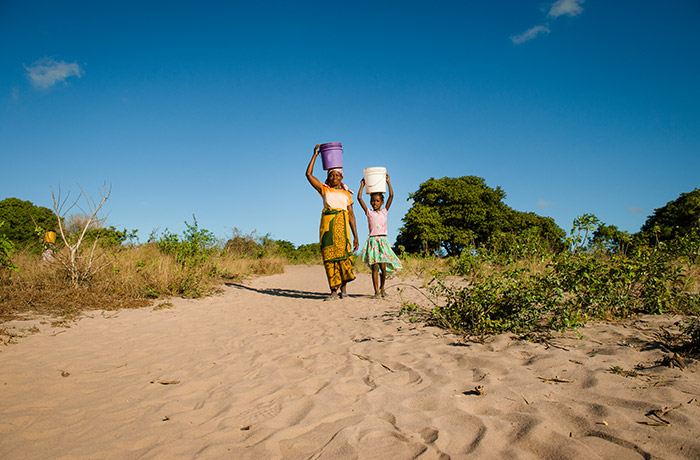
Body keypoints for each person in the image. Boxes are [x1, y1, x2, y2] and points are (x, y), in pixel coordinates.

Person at [306, 144, 360, 300]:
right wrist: (315, 155)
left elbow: (351, 215)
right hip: (328, 228)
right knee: (330, 258)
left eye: (337, 176)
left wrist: (356, 236)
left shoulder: (347, 194)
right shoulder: (325, 190)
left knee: (344, 258)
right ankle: (333, 292)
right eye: (332, 176)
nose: (334, 178)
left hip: (343, 229)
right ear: (328, 178)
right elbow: (308, 175)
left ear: (341, 178)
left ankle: (344, 290)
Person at [357, 173, 403, 298]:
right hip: (373, 242)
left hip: (383, 241)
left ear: (382, 202)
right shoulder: (369, 213)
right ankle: (376, 291)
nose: (374, 203)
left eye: (377, 201)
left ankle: (383, 289)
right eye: (373, 201)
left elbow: (391, 196)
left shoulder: (384, 212)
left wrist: (388, 182)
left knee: (383, 267)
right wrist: (362, 186)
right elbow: (359, 198)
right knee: (375, 268)